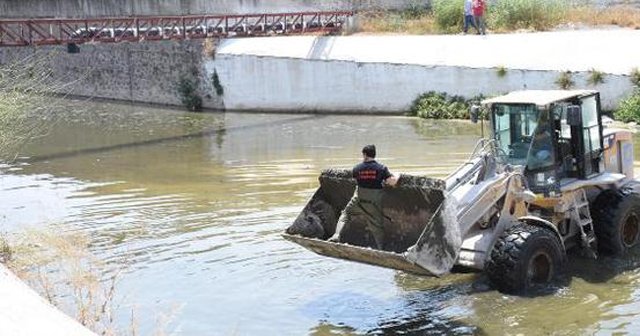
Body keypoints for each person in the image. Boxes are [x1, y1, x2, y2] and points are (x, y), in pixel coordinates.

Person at [328, 145, 398, 250]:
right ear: (374, 154)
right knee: (377, 227)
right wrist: (397, 176)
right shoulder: (381, 168)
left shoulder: (357, 169)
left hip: (358, 201)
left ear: (364, 154)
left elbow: (357, 179)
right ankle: (381, 248)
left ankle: (336, 235)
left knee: (346, 214)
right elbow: (392, 182)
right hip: (373, 204)